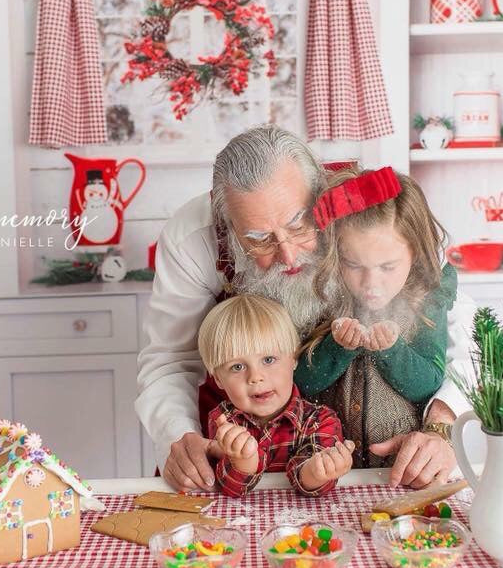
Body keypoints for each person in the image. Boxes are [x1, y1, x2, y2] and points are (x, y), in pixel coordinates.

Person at [135, 125, 471, 492]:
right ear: (229, 226)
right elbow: (170, 360)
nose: (289, 254)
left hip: (365, 458)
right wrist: (177, 434)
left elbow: (462, 332)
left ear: (320, 193)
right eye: (259, 240)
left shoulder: (369, 208)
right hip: (241, 447)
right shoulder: (192, 238)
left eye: (299, 224)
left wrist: (441, 425)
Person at [295, 166, 473, 478]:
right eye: (352, 264)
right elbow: (299, 383)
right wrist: (337, 347)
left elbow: (430, 381)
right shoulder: (322, 294)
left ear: (416, 254)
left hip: (400, 473)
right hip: (325, 476)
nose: (370, 284)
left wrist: (391, 350)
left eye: (388, 267)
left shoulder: (425, 300)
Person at [199, 294, 354, 497]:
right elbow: (230, 488)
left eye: (269, 359)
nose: (255, 377)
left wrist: (318, 471)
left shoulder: (321, 420)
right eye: (237, 366)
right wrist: (243, 460)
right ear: (218, 379)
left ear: (293, 359)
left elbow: (309, 485)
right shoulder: (224, 421)